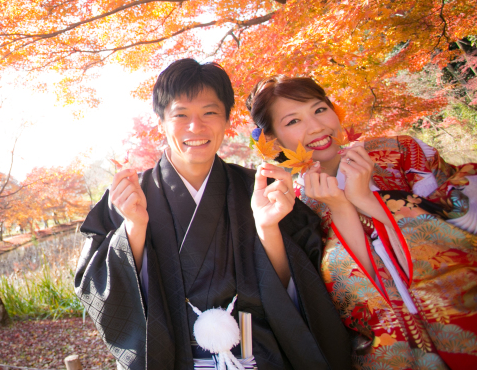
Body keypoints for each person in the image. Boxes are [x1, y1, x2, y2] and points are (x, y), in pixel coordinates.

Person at [75, 59, 351, 370]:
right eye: (180, 115)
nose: (196, 127)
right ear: (160, 123)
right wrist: (134, 230)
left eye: (210, 113)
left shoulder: (262, 189)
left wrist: (268, 228)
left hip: (262, 356)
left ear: (227, 120)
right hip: (172, 357)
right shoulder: (126, 198)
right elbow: (97, 290)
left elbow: (309, 283)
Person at [247, 75, 477, 369]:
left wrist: (368, 200)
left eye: (319, 109)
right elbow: (320, 301)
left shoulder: (401, 153)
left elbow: (465, 225)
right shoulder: (295, 206)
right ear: (274, 141)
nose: (317, 127)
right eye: (293, 121)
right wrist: (340, 207)